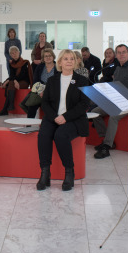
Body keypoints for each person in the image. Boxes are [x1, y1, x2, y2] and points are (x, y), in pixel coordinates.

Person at [36, 49, 90, 192]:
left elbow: (84, 104)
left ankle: (69, 172)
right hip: (53, 117)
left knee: (61, 135)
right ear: (59, 62)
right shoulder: (52, 80)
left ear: (76, 61)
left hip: (74, 119)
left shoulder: (82, 80)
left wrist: (65, 117)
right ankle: (45, 174)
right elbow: (45, 103)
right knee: (43, 135)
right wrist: (55, 117)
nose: (69, 61)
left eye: (71, 58)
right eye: (65, 59)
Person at [91, 44, 128, 158]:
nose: (121, 54)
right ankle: (107, 140)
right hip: (116, 101)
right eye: (119, 52)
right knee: (95, 112)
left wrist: (123, 102)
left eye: (123, 52)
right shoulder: (117, 68)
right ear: (116, 55)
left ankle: (106, 147)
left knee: (114, 116)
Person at [0, 46, 32, 116]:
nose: (14, 54)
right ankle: (9, 106)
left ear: (19, 52)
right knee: (10, 84)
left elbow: (23, 75)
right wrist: (10, 81)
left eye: (15, 52)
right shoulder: (11, 64)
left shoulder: (25, 62)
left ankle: (6, 108)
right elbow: (12, 75)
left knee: (10, 84)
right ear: (10, 55)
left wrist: (12, 81)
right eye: (12, 53)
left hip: (24, 81)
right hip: (15, 82)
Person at [23, 48, 56, 119]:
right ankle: (29, 125)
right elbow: (35, 81)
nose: (48, 58)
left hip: (52, 92)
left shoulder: (58, 67)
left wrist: (46, 92)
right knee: (32, 107)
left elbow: (58, 83)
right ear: (43, 58)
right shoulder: (40, 67)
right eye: (46, 56)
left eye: (50, 55)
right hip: (40, 91)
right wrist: (40, 91)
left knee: (49, 106)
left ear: (53, 56)